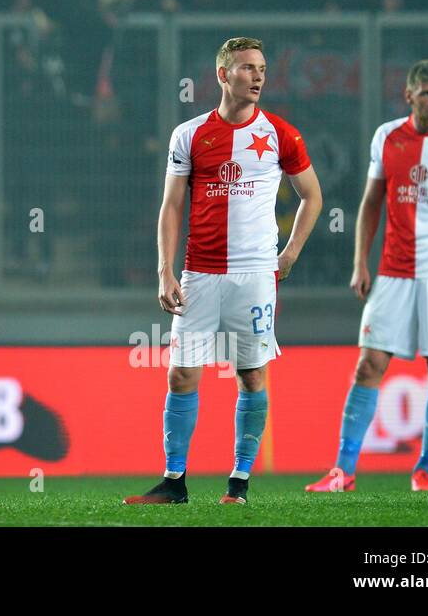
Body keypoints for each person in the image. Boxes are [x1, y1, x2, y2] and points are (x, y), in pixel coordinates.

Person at [125, 37, 323, 506]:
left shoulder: (281, 134)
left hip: (254, 276)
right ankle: (174, 482)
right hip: (199, 274)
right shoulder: (189, 135)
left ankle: (238, 484)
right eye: (247, 68)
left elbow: (312, 196)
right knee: (180, 375)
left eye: (262, 68)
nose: (257, 76)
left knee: (251, 375)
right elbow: (172, 205)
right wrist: (164, 271)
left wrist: (291, 252)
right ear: (222, 75)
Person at [306, 59, 428, 493]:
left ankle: (424, 469)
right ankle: (342, 471)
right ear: (409, 95)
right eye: (426, 92)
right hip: (392, 273)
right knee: (369, 364)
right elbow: (371, 203)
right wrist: (359, 262)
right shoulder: (387, 136)